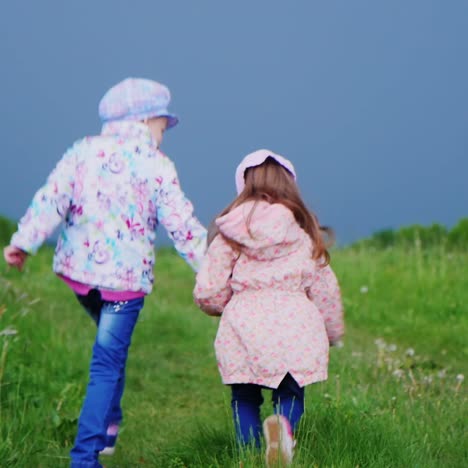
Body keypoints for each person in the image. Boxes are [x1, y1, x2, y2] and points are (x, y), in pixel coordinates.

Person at [3, 78, 207, 468]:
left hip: (81, 276)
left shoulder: (83, 151)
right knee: (107, 362)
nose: (164, 135)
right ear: (147, 120)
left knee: (110, 348)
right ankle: (85, 456)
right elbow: (182, 225)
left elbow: (52, 197)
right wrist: (211, 269)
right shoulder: (157, 165)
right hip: (124, 284)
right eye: (163, 127)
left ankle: (110, 426)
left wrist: (23, 241)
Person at [194, 149, 344, 467]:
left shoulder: (230, 236)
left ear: (243, 186)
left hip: (245, 325)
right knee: (290, 393)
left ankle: (248, 456)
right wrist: (333, 332)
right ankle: (283, 431)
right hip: (296, 325)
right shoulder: (304, 235)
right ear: (290, 186)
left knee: (244, 396)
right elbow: (325, 291)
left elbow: (209, 289)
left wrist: (219, 306)